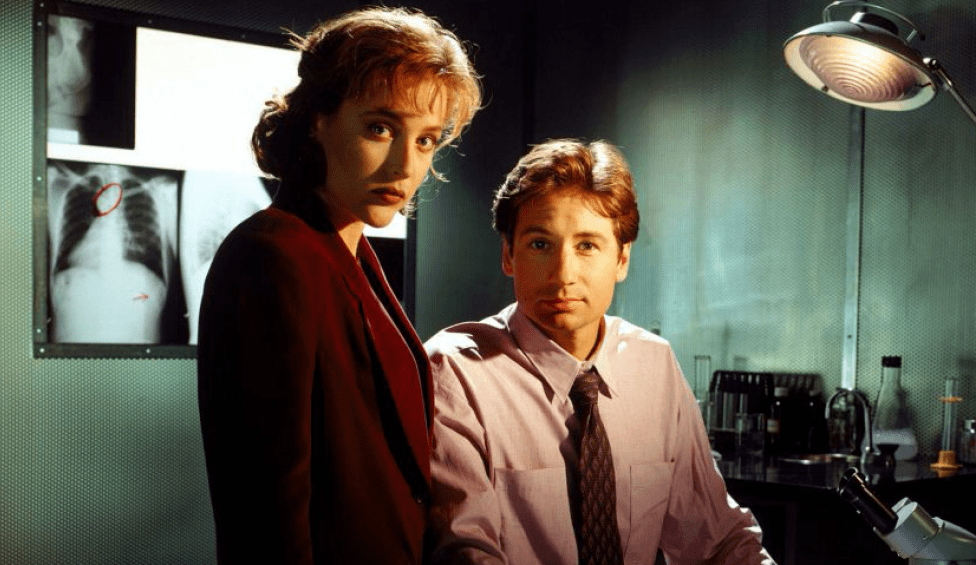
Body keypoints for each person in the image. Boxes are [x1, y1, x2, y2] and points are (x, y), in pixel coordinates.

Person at [196, 7, 481, 564]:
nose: (405, 166)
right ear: (317, 120)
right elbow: (268, 505)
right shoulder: (273, 254)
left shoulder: (348, 250)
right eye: (381, 128)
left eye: (426, 140)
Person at [425, 140, 775, 564]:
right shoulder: (454, 372)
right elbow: (464, 552)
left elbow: (716, 539)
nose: (563, 275)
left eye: (587, 245)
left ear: (622, 259)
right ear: (508, 254)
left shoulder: (654, 364)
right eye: (540, 244)